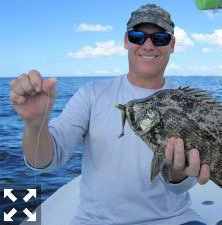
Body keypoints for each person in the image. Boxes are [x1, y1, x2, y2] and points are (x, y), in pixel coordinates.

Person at [10, 4, 210, 225]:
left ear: (171, 45)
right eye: (138, 36)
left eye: (160, 38)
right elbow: (47, 160)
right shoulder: (91, 94)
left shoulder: (191, 104)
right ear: (126, 41)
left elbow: (181, 184)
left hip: (176, 219)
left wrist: (177, 174)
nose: (148, 44)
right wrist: (35, 125)